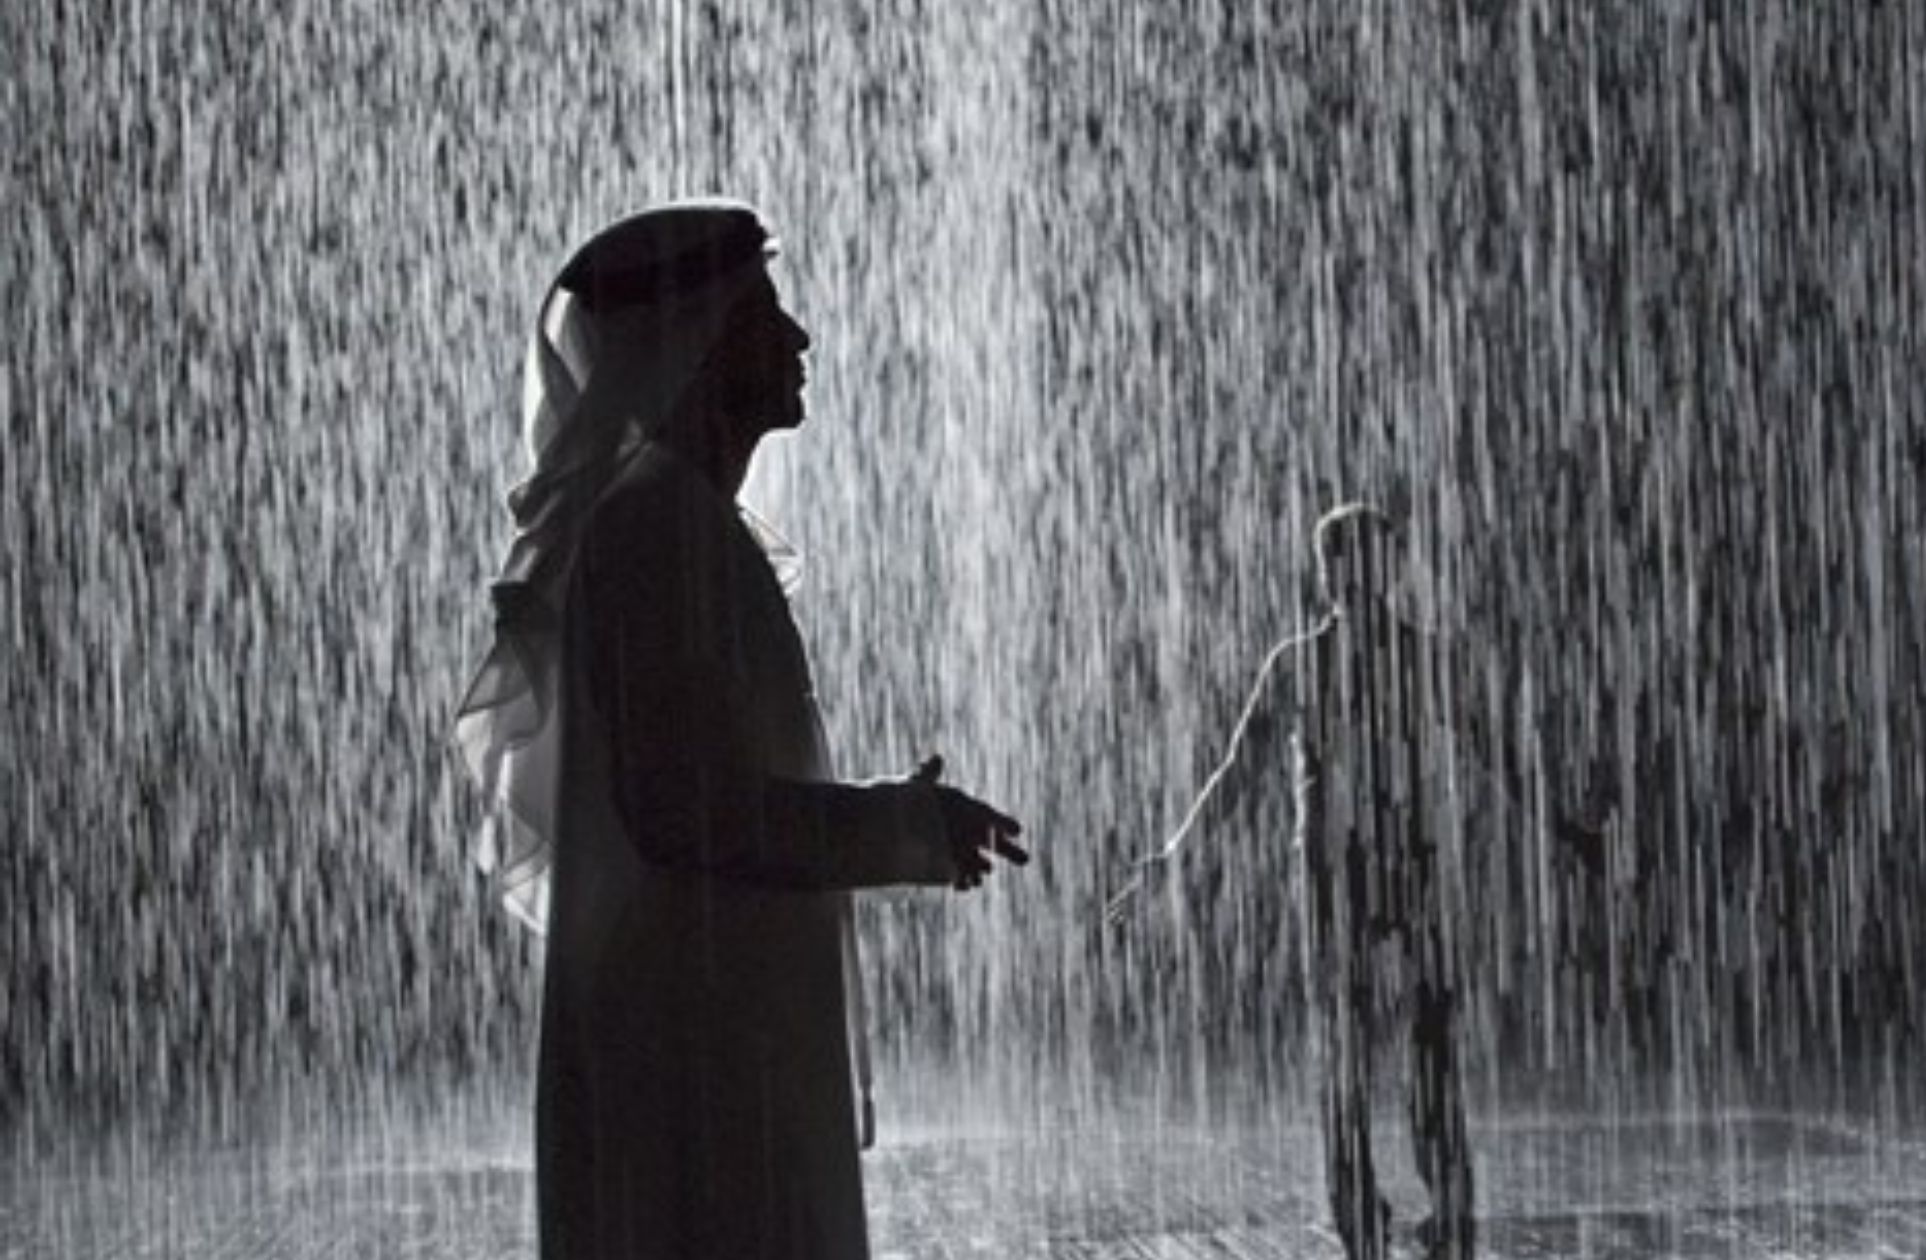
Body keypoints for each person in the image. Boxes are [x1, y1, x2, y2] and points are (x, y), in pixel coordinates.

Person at [454, 200, 1027, 1260]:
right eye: (765, 312)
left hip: (711, 1053)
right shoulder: (654, 534)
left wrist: (892, 819)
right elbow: (683, 811)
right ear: (696, 340)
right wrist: (897, 827)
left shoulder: (677, 526)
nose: (799, 337)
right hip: (698, 1072)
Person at [1107, 504, 1472, 1260]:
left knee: (1406, 1043)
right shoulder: (1316, 662)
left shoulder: (1401, 657)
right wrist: (1175, 856)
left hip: (1386, 864)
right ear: (1333, 572)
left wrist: (1571, 826)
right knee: (1367, 1046)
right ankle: (1384, 1212)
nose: (1367, 579)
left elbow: (1491, 744)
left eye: (1375, 561)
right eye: (1356, 563)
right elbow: (1237, 772)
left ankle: (1412, 1208)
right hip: (1353, 868)